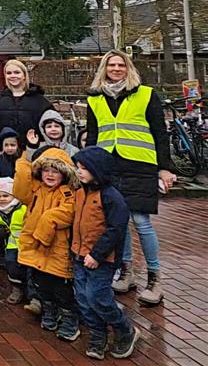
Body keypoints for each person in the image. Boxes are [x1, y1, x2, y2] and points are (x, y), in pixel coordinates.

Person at [85, 50, 175, 306]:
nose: (116, 69)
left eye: (120, 65)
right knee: (118, 222)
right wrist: (89, 166)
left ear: (128, 68)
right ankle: (126, 271)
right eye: (111, 65)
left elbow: (160, 132)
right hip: (108, 166)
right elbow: (92, 135)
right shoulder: (95, 99)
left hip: (139, 165)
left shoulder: (145, 94)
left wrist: (164, 167)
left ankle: (154, 278)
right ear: (104, 68)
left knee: (140, 221)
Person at [71, 146, 139, 360]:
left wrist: (97, 254)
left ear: (97, 170)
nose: (79, 171)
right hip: (79, 255)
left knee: (98, 297)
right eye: (78, 167)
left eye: (84, 168)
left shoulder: (111, 197)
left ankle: (124, 328)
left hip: (101, 259)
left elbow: (116, 230)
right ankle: (98, 335)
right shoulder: (80, 191)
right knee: (83, 298)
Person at [13, 146, 80, 342]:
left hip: (56, 249)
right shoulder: (35, 189)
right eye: (46, 170)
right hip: (35, 248)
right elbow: (20, 189)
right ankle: (49, 310)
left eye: (55, 171)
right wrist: (25, 160)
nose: (50, 175)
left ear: (64, 173)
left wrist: (45, 228)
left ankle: (70, 317)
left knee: (61, 287)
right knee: (41, 284)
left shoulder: (67, 193)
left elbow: (66, 214)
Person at [0, 59, 53, 140]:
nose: (13, 75)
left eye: (17, 72)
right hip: (6, 149)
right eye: (9, 73)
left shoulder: (40, 101)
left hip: (33, 148)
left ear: (24, 75)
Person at [0, 177, 27, 304]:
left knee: (28, 269)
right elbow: (4, 231)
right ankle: (17, 289)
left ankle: (32, 294)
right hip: (12, 245)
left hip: (28, 244)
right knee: (11, 265)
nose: (2, 199)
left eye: (6, 195)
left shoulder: (23, 209)